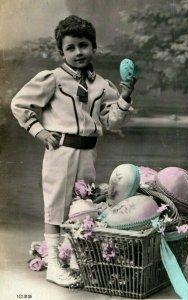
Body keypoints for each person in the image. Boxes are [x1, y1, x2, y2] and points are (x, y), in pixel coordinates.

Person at [11, 15, 136, 287]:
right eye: (71, 48)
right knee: (57, 207)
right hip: (61, 151)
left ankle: (72, 257)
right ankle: (55, 265)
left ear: (93, 48)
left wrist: (125, 97)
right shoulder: (52, 79)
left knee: (82, 207)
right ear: (61, 52)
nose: (78, 52)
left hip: (88, 153)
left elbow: (112, 121)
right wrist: (38, 130)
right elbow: (19, 104)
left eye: (83, 45)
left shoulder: (102, 85)